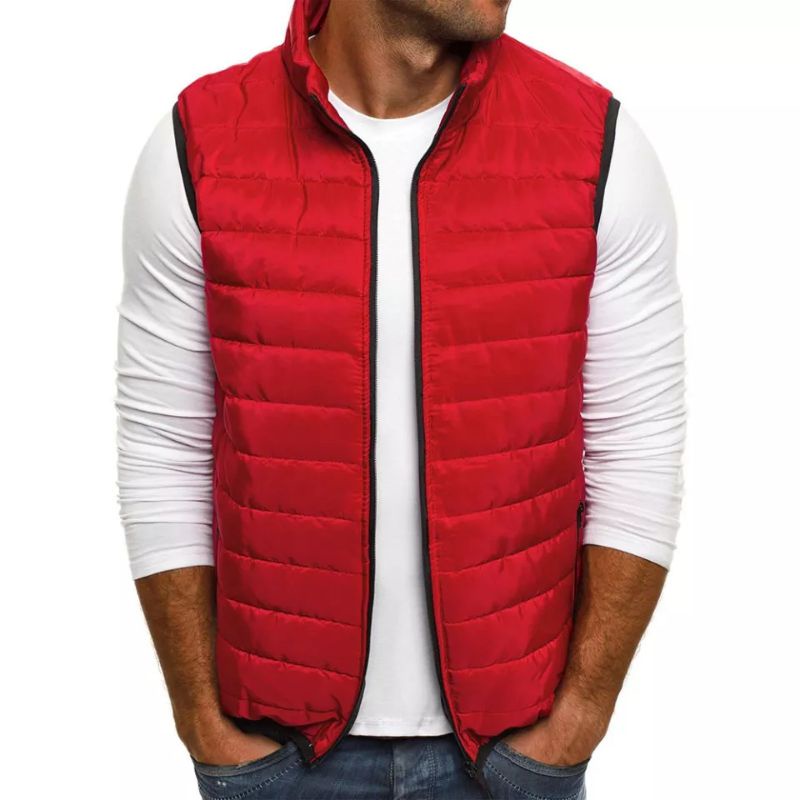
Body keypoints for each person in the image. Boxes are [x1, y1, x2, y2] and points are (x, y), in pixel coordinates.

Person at [116, 0, 686, 797]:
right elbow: (164, 451)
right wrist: (204, 724)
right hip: (278, 758)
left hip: (511, 759)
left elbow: (637, 451)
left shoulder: (596, 144)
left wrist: (576, 722)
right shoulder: (203, 141)